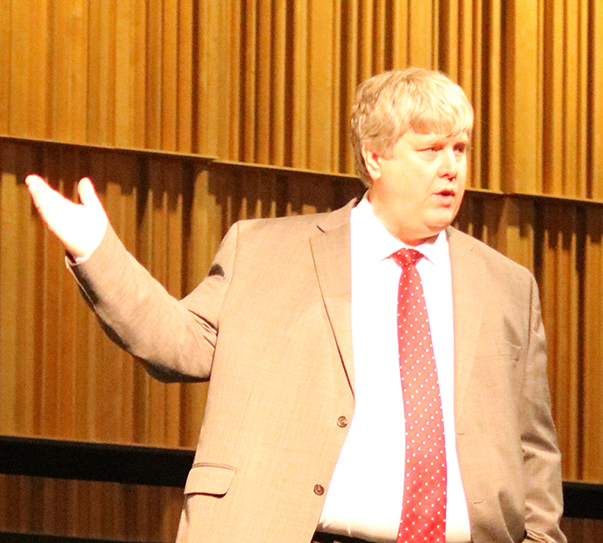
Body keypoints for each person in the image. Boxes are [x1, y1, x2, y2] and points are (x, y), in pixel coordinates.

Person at [26, 67, 566, 543]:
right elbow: (177, 345)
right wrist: (97, 251)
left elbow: (532, 445)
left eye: (460, 149)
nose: (451, 168)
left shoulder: (506, 285)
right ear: (374, 158)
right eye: (429, 150)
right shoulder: (266, 251)